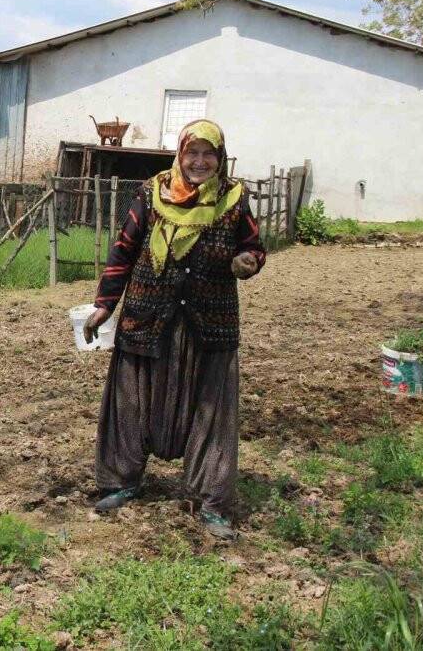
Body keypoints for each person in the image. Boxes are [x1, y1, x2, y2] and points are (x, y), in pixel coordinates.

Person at [83, 119, 265, 540]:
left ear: (220, 158)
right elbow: (124, 250)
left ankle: (212, 502)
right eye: (192, 153)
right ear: (180, 155)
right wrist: (104, 305)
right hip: (148, 315)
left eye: (209, 154)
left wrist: (248, 262)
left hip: (210, 320)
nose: (200, 162)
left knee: (211, 409)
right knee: (131, 400)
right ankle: (121, 481)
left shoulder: (234, 199)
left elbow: (252, 246)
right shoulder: (151, 194)